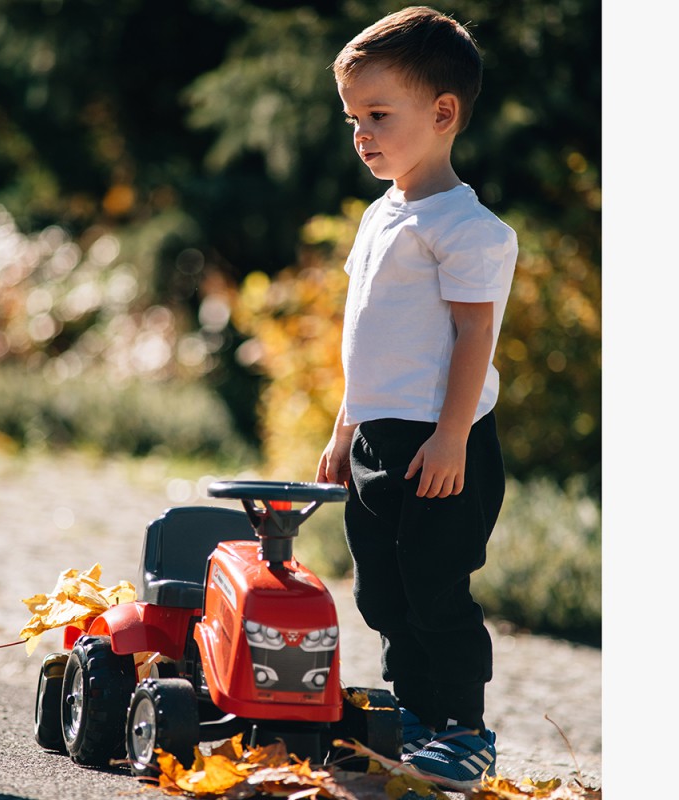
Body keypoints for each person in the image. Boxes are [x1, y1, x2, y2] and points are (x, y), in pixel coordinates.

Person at [316, 6, 517, 791]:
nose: (362, 133)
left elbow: (474, 340)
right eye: (352, 118)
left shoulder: (469, 229)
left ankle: (463, 730)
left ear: (442, 114)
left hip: (444, 444)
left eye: (377, 115)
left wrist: (452, 435)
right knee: (380, 588)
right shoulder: (380, 214)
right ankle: (414, 716)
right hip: (378, 438)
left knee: (435, 586)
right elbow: (369, 341)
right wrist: (344, 429)